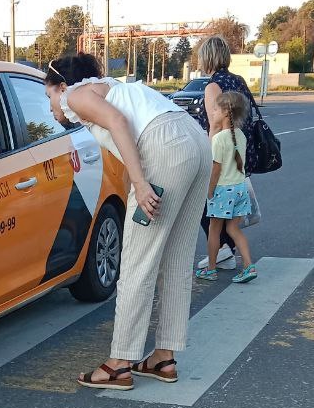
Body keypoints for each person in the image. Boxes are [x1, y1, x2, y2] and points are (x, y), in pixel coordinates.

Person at [45, 53, 212, 390]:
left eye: (48, 96)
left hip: (165, 151)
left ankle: (120, 364)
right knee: (177, 258)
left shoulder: (74, 95)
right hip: (195, 142)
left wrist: (140, 182)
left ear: (61, 85)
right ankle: (163, 357)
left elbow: (119, 124)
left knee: (138, 262)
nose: (52, 107)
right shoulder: (114, 88)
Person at [194, 35, 258, 271]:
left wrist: (209, 160)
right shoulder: (238, 81)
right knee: (228, 203)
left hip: (222, 153)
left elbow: (216, 125)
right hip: (240, 152)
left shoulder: (213, 86)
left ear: (207, 58)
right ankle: (228, 251)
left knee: (208, 202)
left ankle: (222, 250)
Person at [195, 91, 257, 283]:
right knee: (234, 230)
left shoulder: (219, 139)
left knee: (215, 231)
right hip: (240, 189)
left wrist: (210, 190)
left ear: (226, 113)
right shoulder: (240, 135)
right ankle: (248, 265)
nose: (212, 113)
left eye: (215, 109)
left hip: (222, 190)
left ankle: (211, 269)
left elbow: (216, 168)